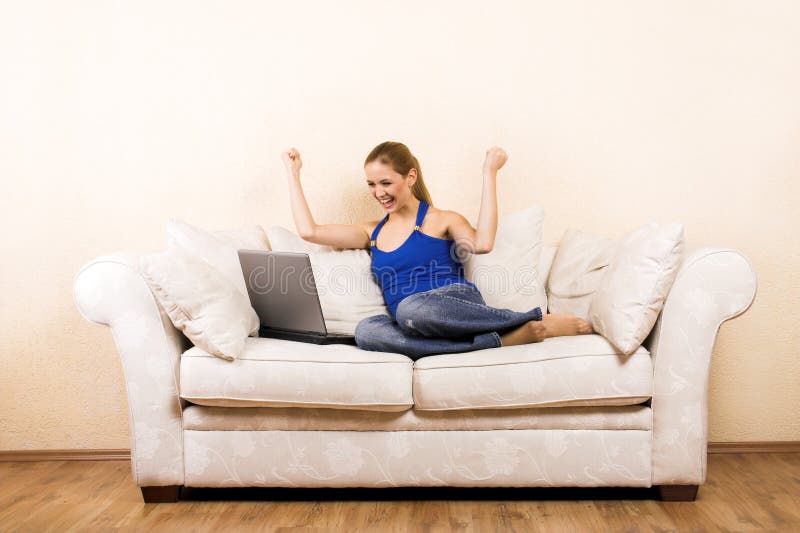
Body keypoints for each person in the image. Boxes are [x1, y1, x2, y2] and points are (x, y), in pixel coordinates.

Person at [281, 141, 593, 360]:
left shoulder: (442, 219)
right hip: (411, 321)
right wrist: (294, 175)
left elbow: (482, 243)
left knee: (411, 310)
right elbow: (310, 231)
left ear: (410, 177)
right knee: (366, 332)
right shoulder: (371, 231)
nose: (379, 193)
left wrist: (489, 173)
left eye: (386, 182)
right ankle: (500, 339)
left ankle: (527, 319)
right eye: (372, 184)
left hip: (451, 304)